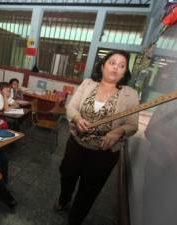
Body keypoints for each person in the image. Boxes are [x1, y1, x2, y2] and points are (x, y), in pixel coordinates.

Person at [54, 51, 139, 225]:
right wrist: (77, 118)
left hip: (104, 153)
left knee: (90, 188)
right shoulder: (87, 84)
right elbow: (71, 108)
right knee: (67, 175)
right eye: (112, 62)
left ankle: (75, 219)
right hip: (76, 144)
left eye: (122, 65)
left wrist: (119, 131)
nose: (116, 67)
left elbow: (132, 125)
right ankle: (64, 199)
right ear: (103, 65)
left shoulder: (130, 94)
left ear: (124, 72)